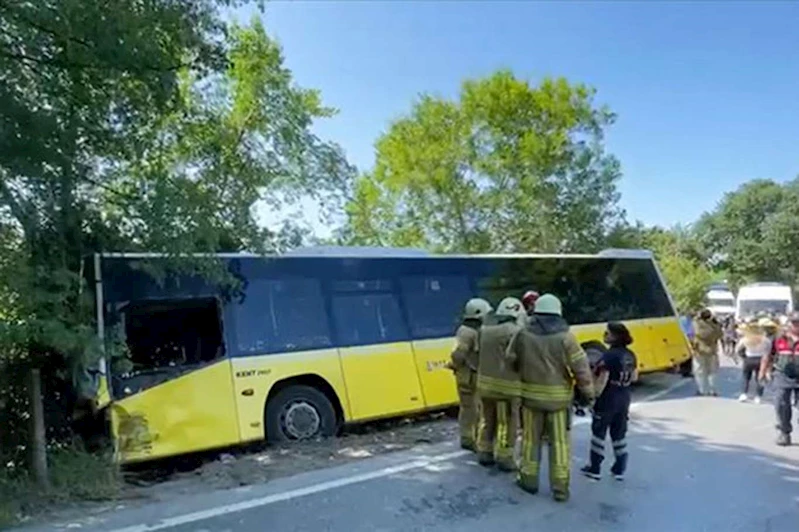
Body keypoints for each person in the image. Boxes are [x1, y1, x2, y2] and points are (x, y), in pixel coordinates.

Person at [505, 293, 595, 502]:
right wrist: (589, 394)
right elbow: (581, 369)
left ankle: (528, 480)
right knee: (560, 444)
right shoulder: (566, 337)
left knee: (530, 441)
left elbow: (510, 359)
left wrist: (524, 370)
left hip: (530, 399)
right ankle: (560, 488)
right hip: (559, 401)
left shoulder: (522, 334)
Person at [581, 322, 638, 482]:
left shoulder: (608, 356)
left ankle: (595, 468)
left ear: (615, 337)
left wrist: (593, 396)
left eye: (607, 333)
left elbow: (602, 379)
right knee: (619, 433)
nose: (604, 335)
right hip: (624, 396)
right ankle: (619, 468)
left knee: (599, 433)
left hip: (608, 397)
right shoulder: (631, 355)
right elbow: (634, 377)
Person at [475, 297, 525, 470]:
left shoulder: (484, 330)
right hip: (507, 387)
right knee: (507, 422)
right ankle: (505, 457)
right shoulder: (516, 332)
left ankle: (484, 451)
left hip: (484, 385)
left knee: (487, 419)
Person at [448, 298, 493, 451]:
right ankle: (472, 439)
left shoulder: (468, 330)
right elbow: (459, 353)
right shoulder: (469, 332)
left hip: (469, 374)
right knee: (474, 408)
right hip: (469, 375)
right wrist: (456, 364)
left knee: (470, 408)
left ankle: (468, 437)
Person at [759, 311, 799, 446]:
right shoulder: (778, 339)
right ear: (789, 323)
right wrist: (762, 372)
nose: (797, 325)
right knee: (781, 403)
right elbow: (767, 356)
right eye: (794, 322)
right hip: (782, 375)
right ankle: (784, 432)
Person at [735, 319, 771, 403]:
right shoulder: (765, 339)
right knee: (760, 378)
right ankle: (758, 396)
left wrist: (742, 356)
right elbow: (768, 351)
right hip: (761, 359)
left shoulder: (746, 339)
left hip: (749, 358)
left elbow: (737, 349)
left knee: (746, 377)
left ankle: (744, 394)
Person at [692, 309, 723, 396]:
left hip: (700, 350)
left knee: (700, 371)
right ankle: (713, 390)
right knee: (713, 371)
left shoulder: (698, 324)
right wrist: (715, 324)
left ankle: (702, 390)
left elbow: (698, 333)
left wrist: (696, 319)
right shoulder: (714, 325)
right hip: (712, 351)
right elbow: (720, 334)